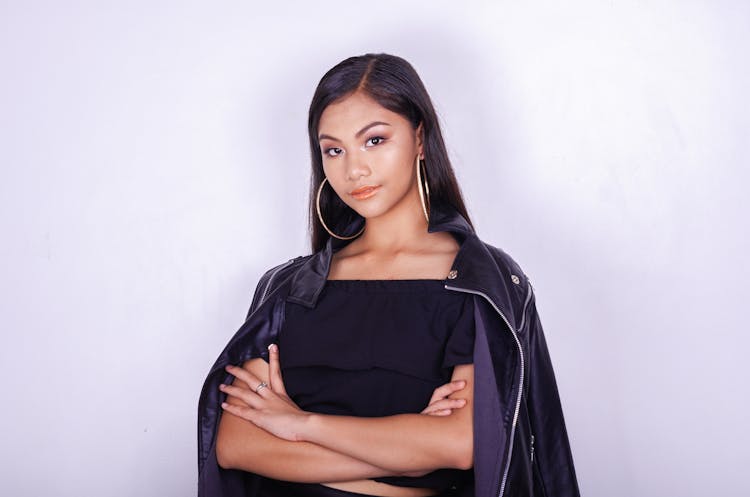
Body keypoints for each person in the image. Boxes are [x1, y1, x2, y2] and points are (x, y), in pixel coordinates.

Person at [197, 53, 580, 497]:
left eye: (374, 141)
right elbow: (236, 445)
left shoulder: (476, 281)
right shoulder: (290, 289)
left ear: (419, 138)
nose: (353, 169)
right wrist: (411, 458)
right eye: (333, 150)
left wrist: (299, 424)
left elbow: (459, 445)